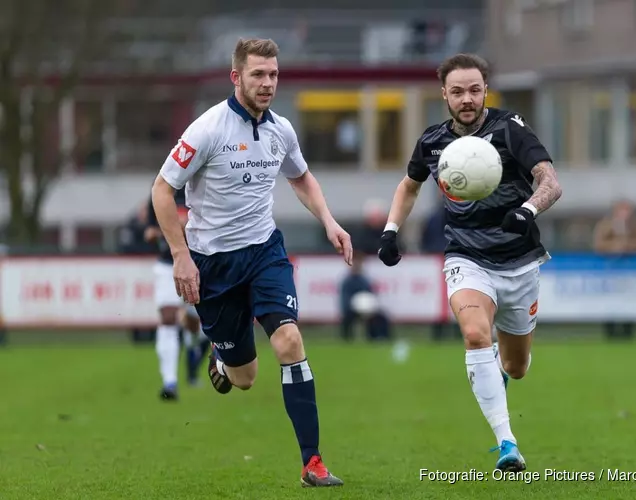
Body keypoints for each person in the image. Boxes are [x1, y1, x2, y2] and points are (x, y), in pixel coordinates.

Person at [150, 38, 350, 488]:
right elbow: (162, 190)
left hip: (265, 252)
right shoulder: (206, 129)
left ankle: (312, 462)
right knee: (245, 377)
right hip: (213, 265)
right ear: (236, 77)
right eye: (258, 74)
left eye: (273, 75)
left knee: (289, 342)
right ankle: (223, 363)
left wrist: (329, 221)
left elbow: (301, 177)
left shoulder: (281, 129)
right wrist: (181, 257)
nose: (267, 83)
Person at [377, 53, 562, 472]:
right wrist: (391, 229)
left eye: (475, 90)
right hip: (466, 256)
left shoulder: (510, 129)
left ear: (485, 91)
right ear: (444, 94)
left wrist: (527, 210)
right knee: (476, 334)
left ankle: (499, 372)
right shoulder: (432, 141)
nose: (467, 99)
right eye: (458, 91)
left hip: (519, 261)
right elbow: (409, 186)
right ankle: (507, 443)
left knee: (516, 365)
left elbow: (550, 181)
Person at [145, 189, 206, 400]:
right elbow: (150, 229)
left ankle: (196, 342)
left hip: (199, 263)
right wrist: (162, 231)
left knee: (195, 323)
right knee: (168, 318)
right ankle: (169, 382)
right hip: (166, 264)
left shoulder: (204, 178)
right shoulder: (162, 182)